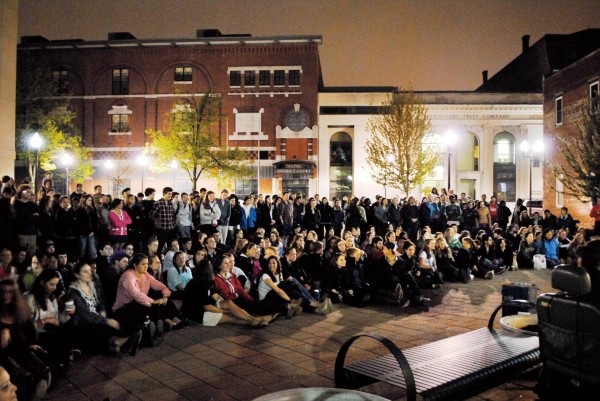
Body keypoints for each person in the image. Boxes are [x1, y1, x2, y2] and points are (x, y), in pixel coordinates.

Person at [111, 254, 173, 355]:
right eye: (143, 264)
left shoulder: (145, 274)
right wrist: (154, 301)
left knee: (154, 303)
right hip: (122, 310)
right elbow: (136, 294)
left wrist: (165, 295)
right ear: (135, 265)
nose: (146, 266)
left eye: (147, 264)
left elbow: (159, 285)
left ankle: (151, 329)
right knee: (146, 304)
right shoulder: (128, 276)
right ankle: (154, 326)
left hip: (139, 307)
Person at [181, 260, 275, 327]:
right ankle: (252, 321)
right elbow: (206, 306)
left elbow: (214, 295)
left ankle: (252, 319)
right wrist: (224, 311)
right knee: (231, 317)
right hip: (197, 314)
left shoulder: (206, 282)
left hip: (205, 307)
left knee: (229, 303)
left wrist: (226, 305)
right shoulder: (199, 284)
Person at [65, 263, 126, 355]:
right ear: (77, 274)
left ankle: (118, 343)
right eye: (85, 272)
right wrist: (106, 321)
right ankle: (115, 344)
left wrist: (102, 310)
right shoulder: (72, 292)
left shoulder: (93, 285)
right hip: (83, 323)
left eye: (90, 271)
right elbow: (84, 314)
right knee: (103, 328)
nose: (89, 273)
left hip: (96, 318)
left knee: (119, 319)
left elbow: (101, 300)